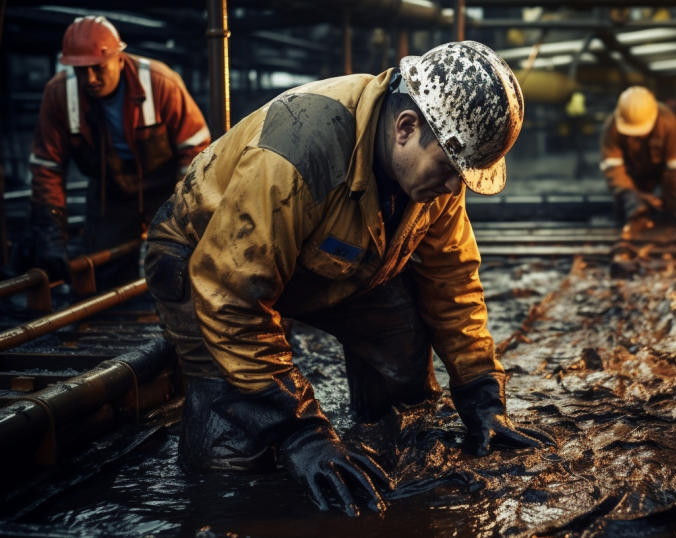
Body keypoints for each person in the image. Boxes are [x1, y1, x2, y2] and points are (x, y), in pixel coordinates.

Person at [144, 40, 554, 516]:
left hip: (337, 257)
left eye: (460, 178)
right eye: (447, 170)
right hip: (206, 263)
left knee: (404, 386)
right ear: (406, 127)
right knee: (235, 448)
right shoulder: (298, 152)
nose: (451, 189)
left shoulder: (436, 173)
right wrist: (302, 431)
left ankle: (364, 464)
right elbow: (231, 296)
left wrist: (481, 392)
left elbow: (452, 280)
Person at [28, 15, 209, 284]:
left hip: (165, 189)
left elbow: (196, 150)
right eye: (81, 70)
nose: (89, 78)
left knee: (178, 268)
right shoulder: (58, 95)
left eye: (98, 67)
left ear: (119, 58)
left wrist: (180, 211)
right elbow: (47, 167)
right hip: (109, 193)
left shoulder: (161, 83)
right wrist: (51, 233)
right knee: (105, 274)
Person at [600, 86, 676, 235]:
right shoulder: (612, 127)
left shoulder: (669, 123)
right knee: (626, 211)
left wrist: (674, 206)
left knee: (674, 210)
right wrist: (631, 197)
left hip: (661, 172)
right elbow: (614, 171)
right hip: (631, 175)